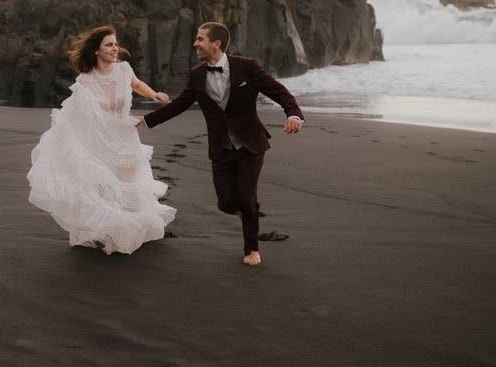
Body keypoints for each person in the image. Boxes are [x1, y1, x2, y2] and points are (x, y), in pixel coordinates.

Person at [137, 22, 304, 266]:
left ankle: (252, 250)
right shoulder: (196, 75)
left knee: (247, 197)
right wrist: (146, 120)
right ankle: (246, 209)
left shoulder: (247, 68)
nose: (195, 43)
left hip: (251, 144)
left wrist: (293, 114)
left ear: (217, 43)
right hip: (221, 147)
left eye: (200, 39)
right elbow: (179, 105)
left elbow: (277, 91)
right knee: (226, 202)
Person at [27, 25, 176, 254]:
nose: (114, 48)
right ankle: (111, 231)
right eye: (108, 44)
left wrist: (155, 95)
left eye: (115, 44)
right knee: (106, 190)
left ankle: (123, 236)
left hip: (126, 138)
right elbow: (79, 115)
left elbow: (136, 85)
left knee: (127, 189)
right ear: (96, 50)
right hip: (101, 140)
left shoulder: (124, 69)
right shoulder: (86, 81)